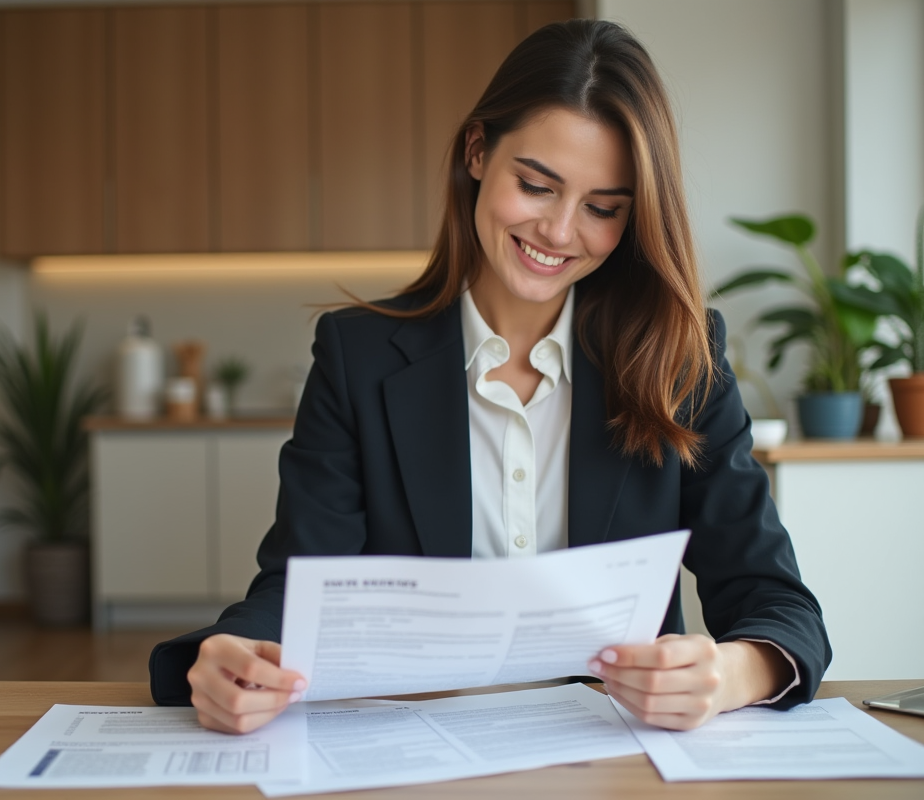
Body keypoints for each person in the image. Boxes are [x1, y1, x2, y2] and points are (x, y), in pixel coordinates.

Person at [149, 18, 830, 735]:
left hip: (612, 757)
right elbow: (299, 586)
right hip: (408, 751)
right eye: (537, 186)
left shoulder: (678, 357)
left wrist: (728, 675)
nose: (560, 232)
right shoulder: (359, 356)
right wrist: (235, 658)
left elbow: (777, 602)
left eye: (603, 209)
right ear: (477, 151)